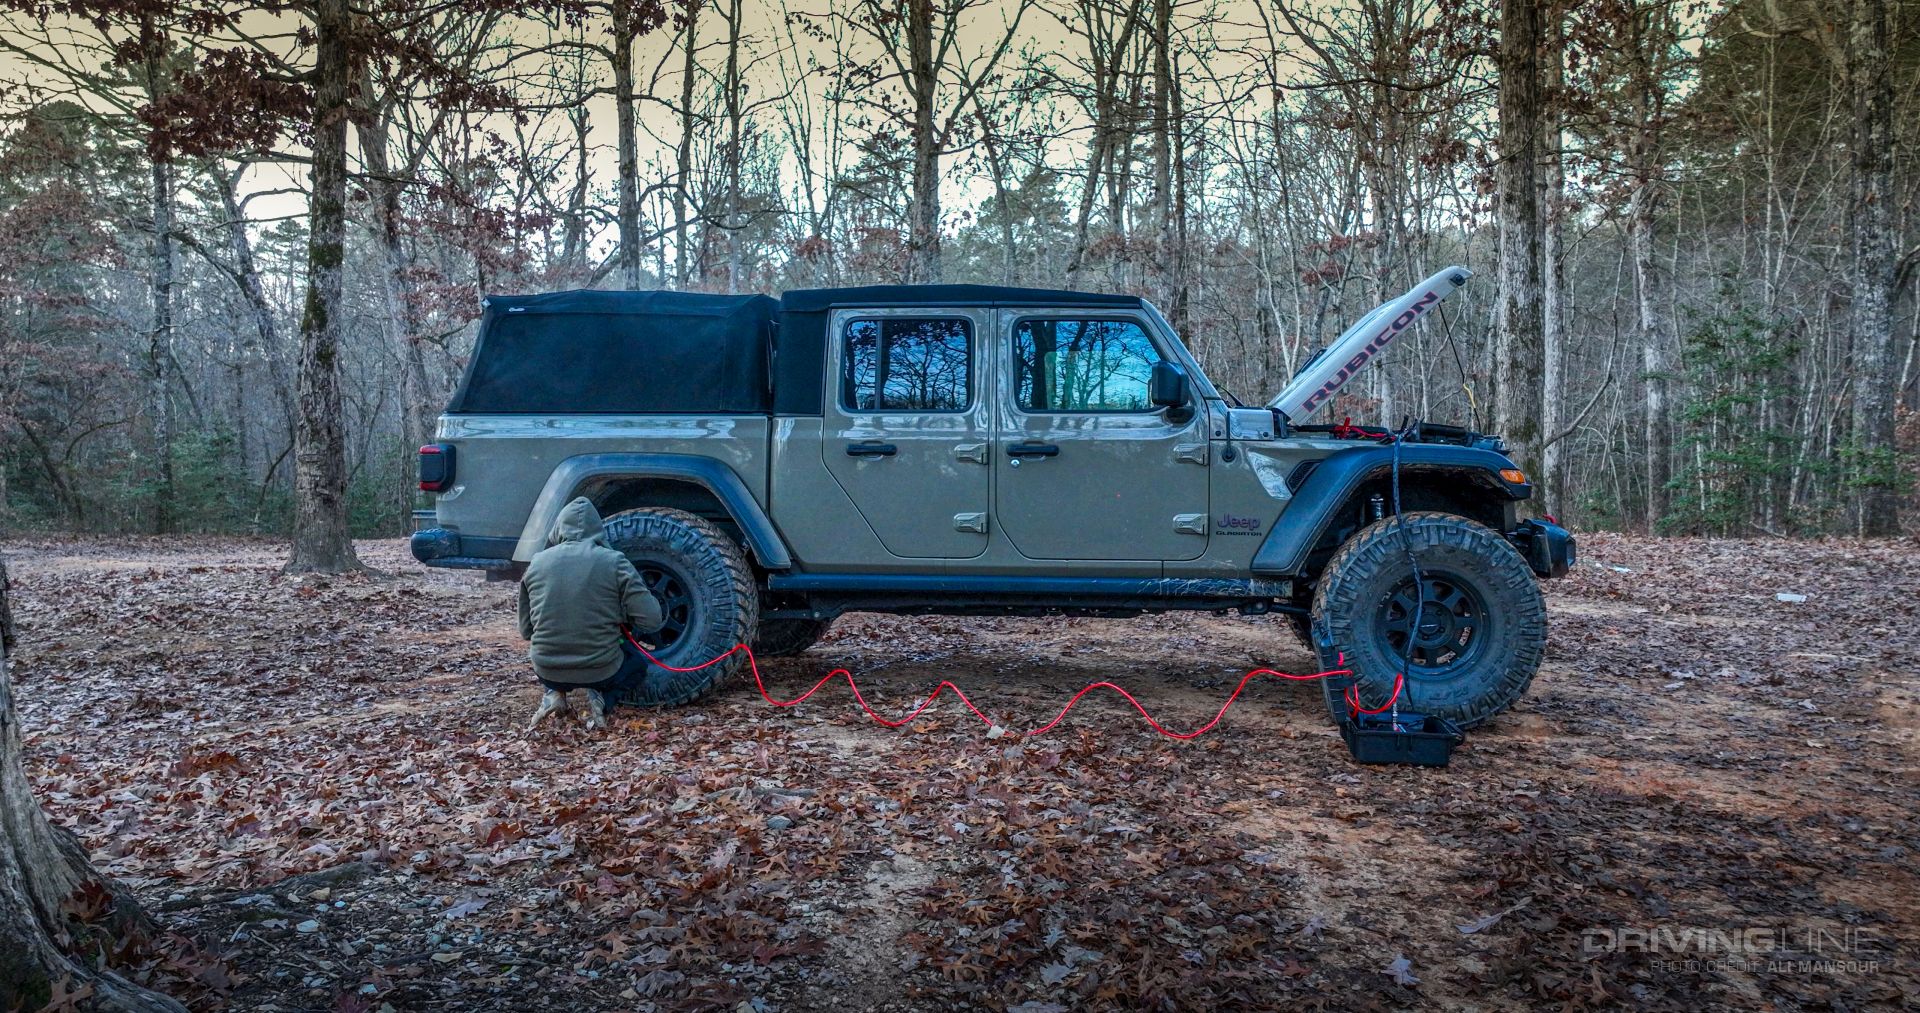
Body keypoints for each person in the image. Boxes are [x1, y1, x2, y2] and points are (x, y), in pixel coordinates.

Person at [517, 497, 663, 730]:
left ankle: (554, 694)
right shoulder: (614, 561)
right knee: (637, 666)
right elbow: (652, 620)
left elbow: (526, 631)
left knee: (552, 651)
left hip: (547, 670)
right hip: (602, 670)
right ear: (598, 530)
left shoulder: (536, 563)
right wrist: (620, 611)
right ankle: (604, 700)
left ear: (559, 528)